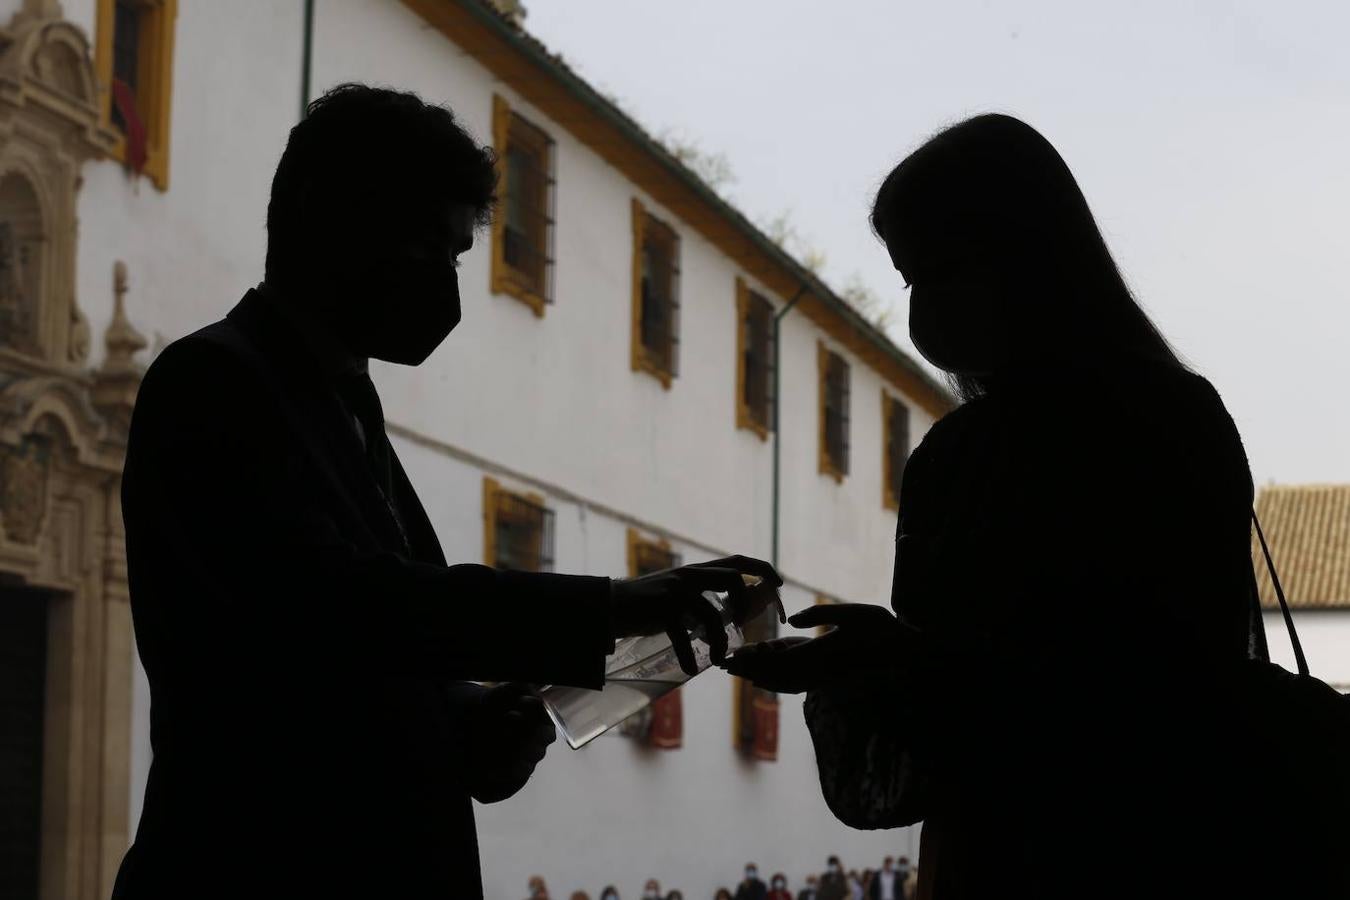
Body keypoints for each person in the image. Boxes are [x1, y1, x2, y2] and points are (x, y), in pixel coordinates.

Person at [110, 83, 780, 900]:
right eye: (431, 252)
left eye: (458, 257)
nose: (449, 291)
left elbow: (348, 662)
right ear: (335, 224)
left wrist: (467, 717)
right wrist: (611, 607)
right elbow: (339, 604)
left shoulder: (344, 406)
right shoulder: (214, 382)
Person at [724, 113, 1290, 899]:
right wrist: (889, 659)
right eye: (909, 278)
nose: (921, 306)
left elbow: (1130, 688)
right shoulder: (1169, 414)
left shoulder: (1003, 447)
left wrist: (891, 660)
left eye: (939, 269)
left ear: (1022, 256)